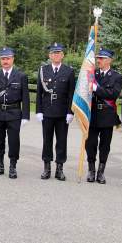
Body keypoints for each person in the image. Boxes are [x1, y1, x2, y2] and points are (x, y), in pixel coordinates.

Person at [0, 47, 30, 179]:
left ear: (13, 59)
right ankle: (0, 166)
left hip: (14, 113)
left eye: (8, 58)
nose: (5, 61)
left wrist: (25, 116)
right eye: (3, 58)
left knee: (13, 141)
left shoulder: (21, 76)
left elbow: (25, 97)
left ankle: (12, 166)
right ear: (0, 60)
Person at [36, 43, 75, 181]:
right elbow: (39, 93)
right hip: (47, 112)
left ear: (62, 55)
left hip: (62, 113)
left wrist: (70, 112)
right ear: (49, 55)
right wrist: (39, 111)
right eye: (53, 53)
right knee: (47, 140)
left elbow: (71, 94)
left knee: (61, 141)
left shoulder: (69, 71)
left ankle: (59, 168)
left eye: (58, 53)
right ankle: (47, 168)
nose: (56, 55)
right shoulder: (43, 70)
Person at [85, 48, 122, 184]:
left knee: (105, 145)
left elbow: (113, 94)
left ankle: (101, 172)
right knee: (90, 144)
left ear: (109, 60)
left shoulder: (117, 77)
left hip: (107, 114)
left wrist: (96, 89)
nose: (98, 61)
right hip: (92, 114)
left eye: (101, 58)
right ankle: (91, 170)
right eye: (98, 58)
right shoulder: (92, 75)